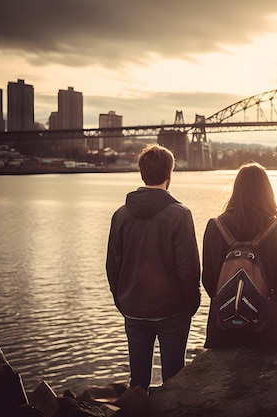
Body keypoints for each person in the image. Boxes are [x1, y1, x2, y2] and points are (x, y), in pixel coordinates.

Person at [106, 143, 201, 391]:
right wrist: (190, 306)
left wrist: (123, 302)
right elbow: (188, 269)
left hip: (134, 311)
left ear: (142, 173)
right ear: (169, 175)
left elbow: (112, 266)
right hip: (172, 312)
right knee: (174, 382)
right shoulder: (180, 215)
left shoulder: (120, 215)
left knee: (137, 383)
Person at [202, 162, 277, 348]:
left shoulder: (215, 226)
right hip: (267, 332)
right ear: (267, 191)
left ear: (236, 190)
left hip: (224, 328)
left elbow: (208, 280)